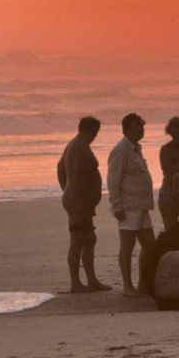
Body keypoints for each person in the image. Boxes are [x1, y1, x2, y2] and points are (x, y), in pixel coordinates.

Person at [56, 116, 111, 293]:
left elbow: (60, 167)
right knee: (78, 240)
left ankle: (92, 280)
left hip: (75, 198)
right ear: (93, 131)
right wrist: (79, 197)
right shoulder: (80, 147)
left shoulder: (75, 143)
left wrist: (66, 187)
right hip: (78, 201)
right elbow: (79, 176)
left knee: (89, 239)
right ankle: (76, 283)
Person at [107, 113, 156, 296]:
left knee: (150, 245)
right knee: (127, 245)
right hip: (128, 206)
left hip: (142, 205)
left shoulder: (135, 148)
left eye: (142, 126)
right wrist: (117, 205)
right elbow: (113, 179)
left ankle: (143, 283)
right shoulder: (121, 150)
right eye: (137, 126)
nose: (141, 129)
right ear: (127, 128)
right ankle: (128, 287)